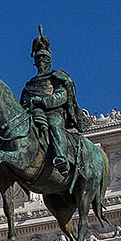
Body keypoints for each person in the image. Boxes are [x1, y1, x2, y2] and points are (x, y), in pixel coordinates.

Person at [20, 28, 86, 178]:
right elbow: (22, 104)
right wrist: (28, 107)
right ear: (35, 63)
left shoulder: (57, 77)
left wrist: (42, 101)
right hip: (34, 114)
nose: (41, 62)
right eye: (39, 60)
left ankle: (61, 156)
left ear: (49, 61)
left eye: (44, 59)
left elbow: (62, 96)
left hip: (54, 113)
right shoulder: (29, 84)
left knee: (55, 125)